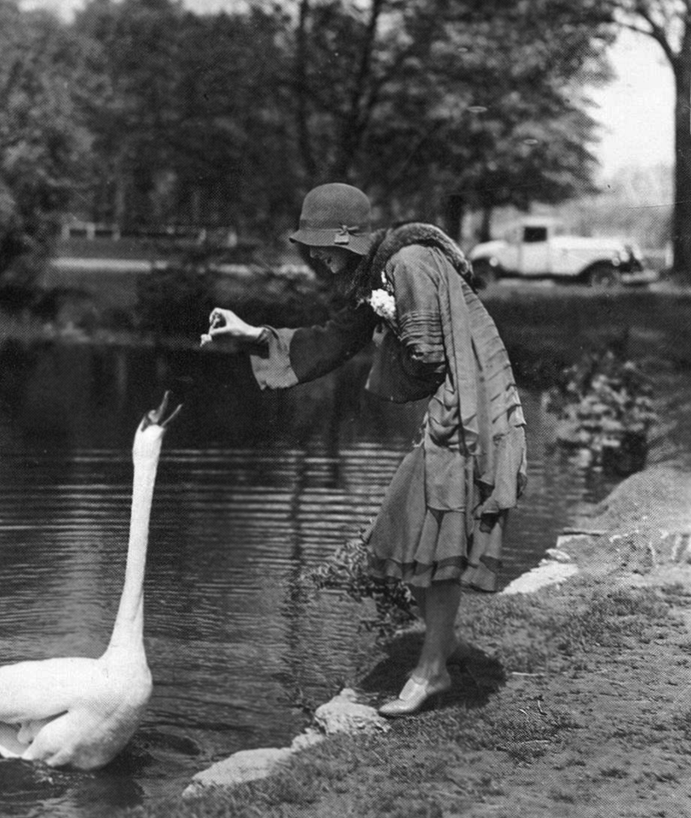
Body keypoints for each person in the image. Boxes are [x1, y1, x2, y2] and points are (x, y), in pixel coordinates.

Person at [206, 183, 527, 716]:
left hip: (476, 413)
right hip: (457, 408)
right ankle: (443, 645)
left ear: (345, 239)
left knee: (437, 538)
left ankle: (433, 670)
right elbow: (333, 338)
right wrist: (251, 333)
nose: (313, 256)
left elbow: (425, 357)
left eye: (319, 245)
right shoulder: (380, 273)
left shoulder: (408, 264)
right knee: (400, 530)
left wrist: (387, 337)